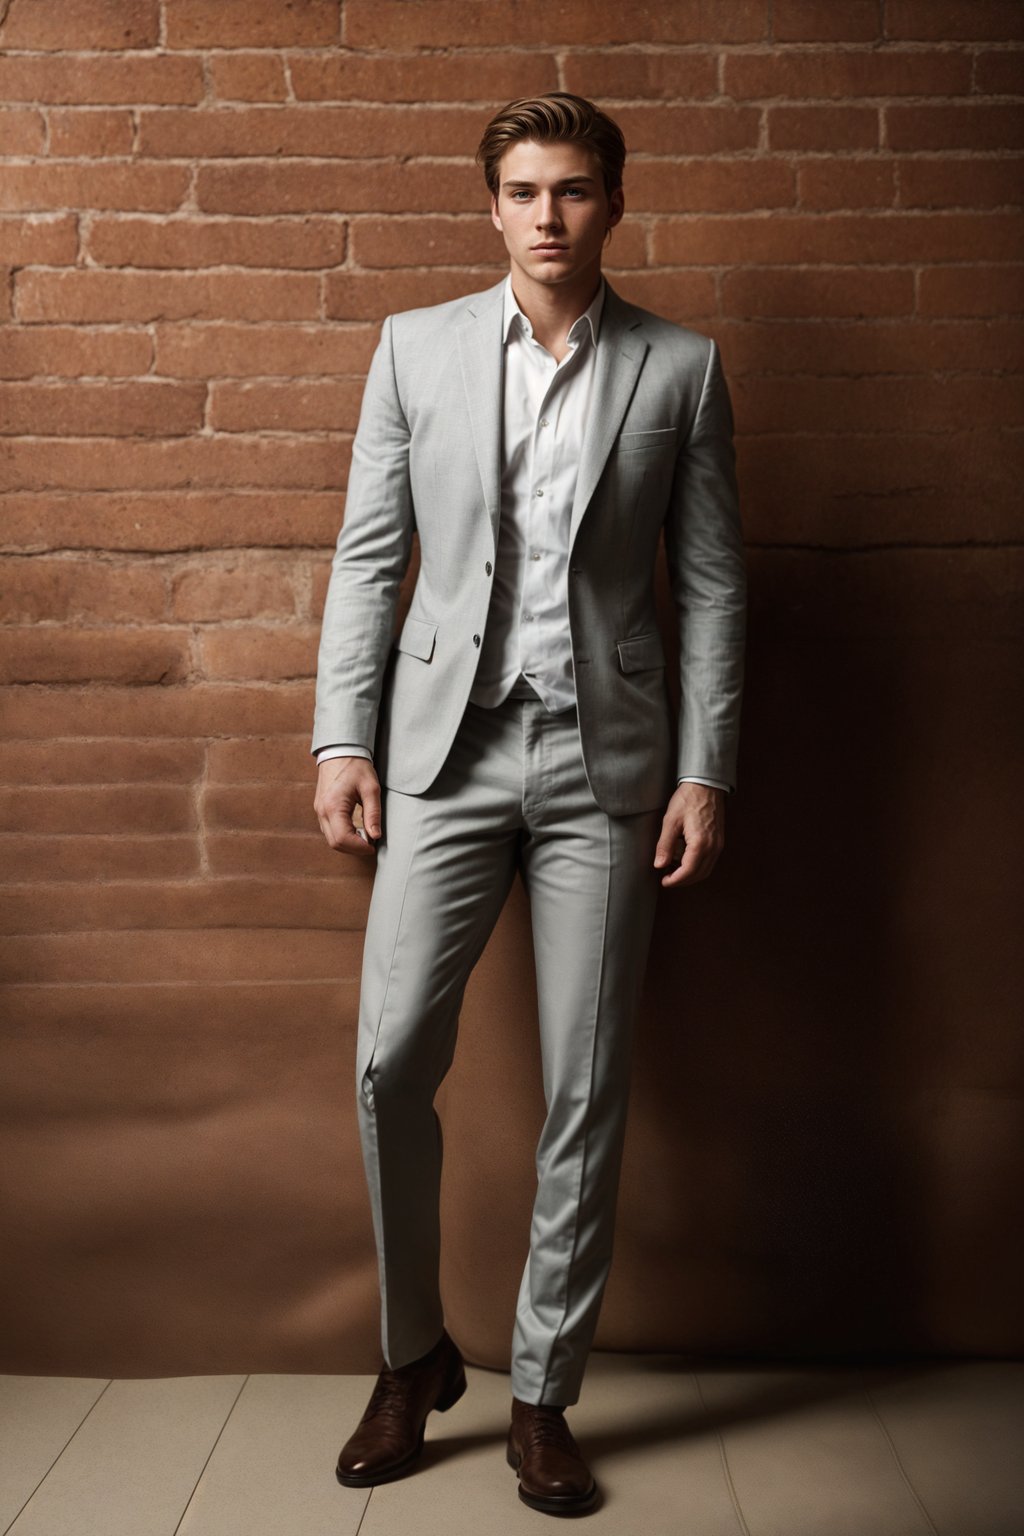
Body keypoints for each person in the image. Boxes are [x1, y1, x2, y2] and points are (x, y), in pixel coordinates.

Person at [311, 92, 746, 1518]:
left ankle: (544, 1391)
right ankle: (411, 1354)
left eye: (571, 190)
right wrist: (342, 741)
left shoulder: (680, 370)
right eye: (522, 191)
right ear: (489, 206)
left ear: (613, 203)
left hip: (605, 766)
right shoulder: (415, 349)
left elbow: (708, 584)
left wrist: (705, 767)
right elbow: (373, 557)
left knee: (586, 1082)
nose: (547, 216)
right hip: (443, 754)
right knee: (389, 1065)